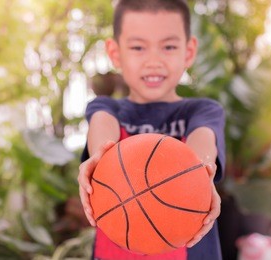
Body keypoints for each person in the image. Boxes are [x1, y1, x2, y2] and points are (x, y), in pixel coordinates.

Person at [78, 0, 226, 259]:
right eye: (138, 47)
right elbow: (102, 126)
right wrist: (99, 159)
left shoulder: (202, 111)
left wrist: (200, 173)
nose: (154, 61)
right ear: (115, 53)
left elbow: (203, 140)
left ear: (189, 52)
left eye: (168, 46)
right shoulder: (107, 109)